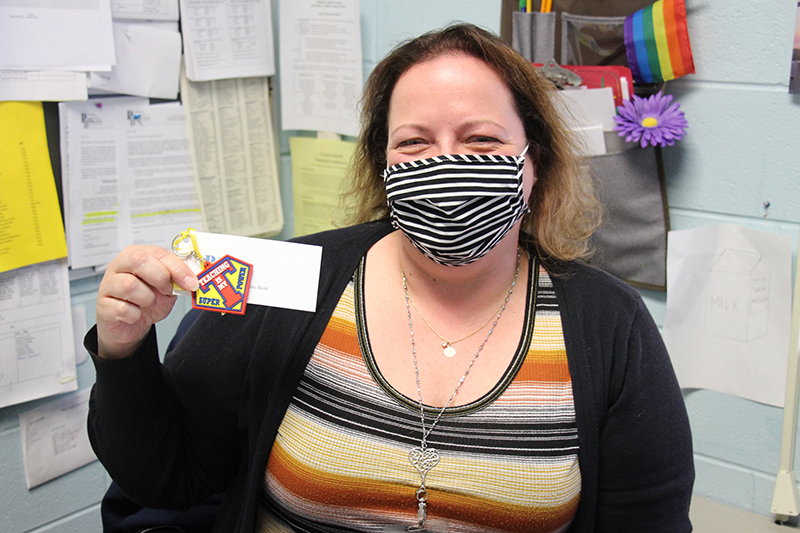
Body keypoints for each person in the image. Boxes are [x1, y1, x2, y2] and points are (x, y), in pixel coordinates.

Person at [87, 23, 694, 533]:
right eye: (415, 142)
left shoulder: (609, 325)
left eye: (481, 139)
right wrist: (123, 349)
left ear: (535, 164)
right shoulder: (290, 283)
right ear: (384, 166)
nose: (446, 161)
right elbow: (169, 475)